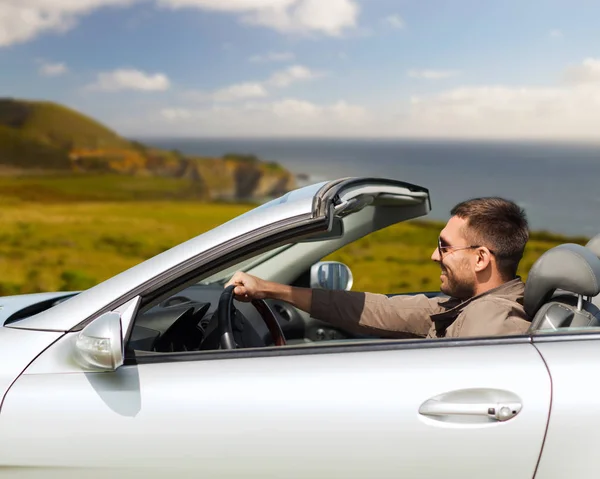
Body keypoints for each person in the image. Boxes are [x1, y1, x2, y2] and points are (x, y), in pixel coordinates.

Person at [225, 197, 532, 339]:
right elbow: (380, 309)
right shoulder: (466, 306)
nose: (434, 256)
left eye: (445, 247)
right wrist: (270, 289)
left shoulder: (493, 323)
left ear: (480, 258)